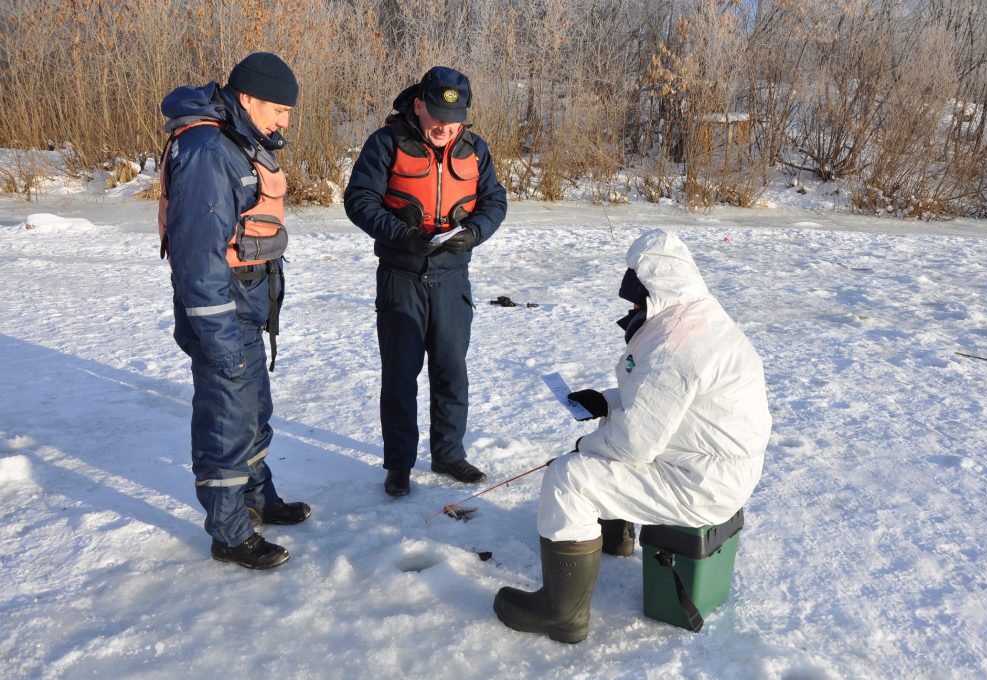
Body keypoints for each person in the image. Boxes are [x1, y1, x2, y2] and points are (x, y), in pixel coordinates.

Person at [493, 229, 772, 643]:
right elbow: (666, 403)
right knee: (609, 440)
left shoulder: (677, 345)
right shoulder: (700, 318)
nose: (632, 307)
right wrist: (607, 403)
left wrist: (581, 448)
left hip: (701, 484)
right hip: (709, 464)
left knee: (570, 478)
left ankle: (561, 615)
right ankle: (614, 536)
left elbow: (634, 443)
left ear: (655, 289)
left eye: (636, 297)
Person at [159, 52, 310, 570]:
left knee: (253, 411)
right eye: (277, 109)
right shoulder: (207, 149)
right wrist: (218, 338)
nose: (284, 120)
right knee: (226, 421)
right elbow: (198, 260)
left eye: (289, 111)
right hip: (222, 310)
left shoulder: (239, 140)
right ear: (246, 98)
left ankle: (257, 497)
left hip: (247, 305)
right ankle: (229, 533)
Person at [344, 66, 507, 497]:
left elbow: (494, 200)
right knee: (400, 375)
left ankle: (448, 454)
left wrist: (474, 233)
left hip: (453, 278)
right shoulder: (387, 142)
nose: (443, 126)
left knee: (452, 370)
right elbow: (358, 200)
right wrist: (403, 235)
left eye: (453, 119)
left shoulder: (475, 149)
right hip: (401, 275)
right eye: (435, 114)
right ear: (418, 105)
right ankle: (399, 463)